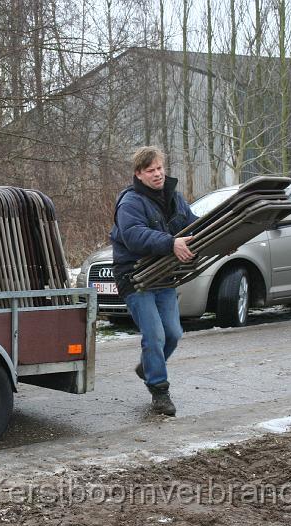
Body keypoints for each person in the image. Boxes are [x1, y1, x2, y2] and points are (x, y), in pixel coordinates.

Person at [109, 146, 198, 416]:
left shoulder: (175, 198)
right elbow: (134, 236)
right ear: (139, 174)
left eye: (160, 168)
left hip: (162, 274)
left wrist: (222, 242)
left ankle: (148, 367)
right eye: (151, 170)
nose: (158, 174)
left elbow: (194, 225)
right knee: (155, 335)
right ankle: (159, 391)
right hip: (135, 276)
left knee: (173, 333)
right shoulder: (131, 202)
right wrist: (171, 243)